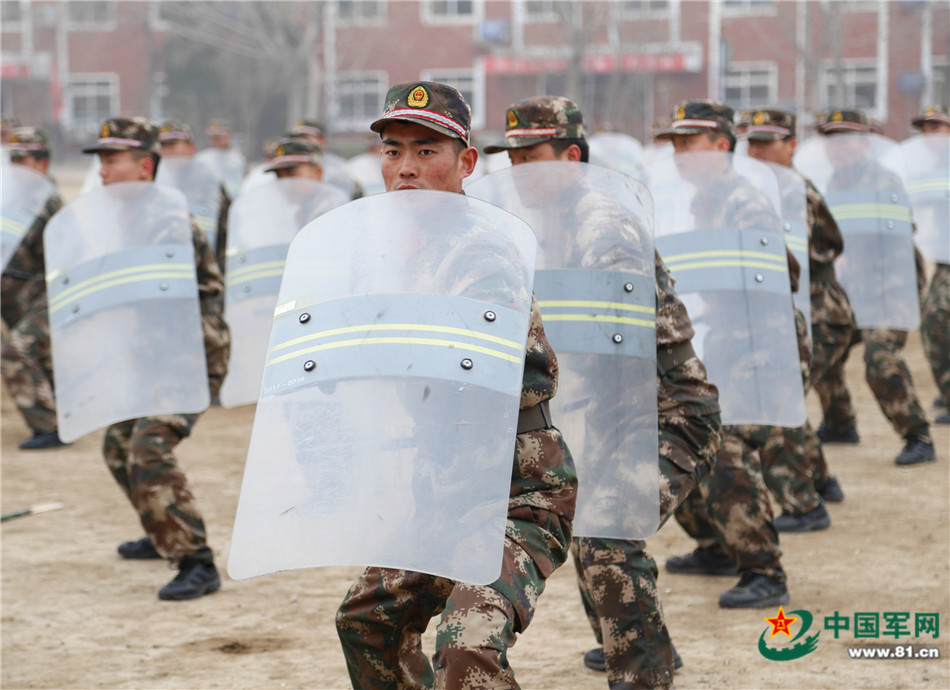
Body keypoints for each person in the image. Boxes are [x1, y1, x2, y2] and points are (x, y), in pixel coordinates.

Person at [334, 82, 577, 688]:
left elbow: (466, 369)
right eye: (393, 152)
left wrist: (365, 351)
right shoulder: (382, 252)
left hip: (517, 493)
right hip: (440, 490)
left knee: (467, 648)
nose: (406, 168)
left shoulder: (484, 251)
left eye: (426, 151)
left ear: (466, 162)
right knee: (366, 622)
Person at [481, 95, 722, 688]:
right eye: (511, 159)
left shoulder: (604, 225)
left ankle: (641, 670)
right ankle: (643, 645)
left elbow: (616, 364)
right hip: (604, 408)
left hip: (668, 411)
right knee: (592, 520)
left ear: (572, 156)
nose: (518, 171)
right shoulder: (535, 227)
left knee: (606, 529)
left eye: (531, 156)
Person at [654, 100, 795, 610]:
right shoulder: (699, 201)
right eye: (674, 143)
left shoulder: (744, 200)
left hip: (761, 340)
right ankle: (715, 545)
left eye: (689, 141)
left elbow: (780, 276)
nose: (679, 152)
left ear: (721, 144)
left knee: (726, 445)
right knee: (687, 438)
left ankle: (765, 571)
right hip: (721, 338)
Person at [83, 116, 230, 600]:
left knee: (147, 448)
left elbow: (156, 300)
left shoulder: (165, 220)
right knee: (116, 445)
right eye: (101, 159)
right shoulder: (120, 218)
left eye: (112, 159)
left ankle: (196, 561)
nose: (102, 170)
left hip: (187, 356)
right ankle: (159, 526)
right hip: (151, 356)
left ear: (145, 166)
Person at [742, 107, 854, 529]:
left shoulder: (792, 190)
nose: (757, 149)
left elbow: (817, 247)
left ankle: (804, 505)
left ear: (790, 144)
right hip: (793, 312)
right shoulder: (757, 189)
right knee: (786, 398)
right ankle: (822, 482)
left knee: (777, 400)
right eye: (752, 141)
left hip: (820, 314)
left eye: (767, 141)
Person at [811, 109, 936, 465]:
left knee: (879, 356)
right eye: (830, 140)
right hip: (852, 289)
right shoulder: (831, 183)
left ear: (864, 143)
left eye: (845, 138)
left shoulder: (885, 181)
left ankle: (919, 436)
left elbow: (896, 241)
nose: (837, 147)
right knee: (822, 344)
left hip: (890, 288)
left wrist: (854, 257)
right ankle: (840, 422)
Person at [0, 127, 66, 449]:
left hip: (41, 297)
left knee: (16, 351)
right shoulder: (8, 196)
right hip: (11, 297)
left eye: (22, 158)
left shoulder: (49, 201)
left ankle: (48, 427)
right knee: (44, 359)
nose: (14, 165)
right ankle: (64, 414)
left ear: (42, 163)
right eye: (11, 158)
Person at [909, 105, 950, 425]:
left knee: (936, 318)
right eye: (926, 128)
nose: (930, 134)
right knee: (935, 322)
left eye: (937, 127)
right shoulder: (929, 170)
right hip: (944, 261)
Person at [158, 119, 230, 271]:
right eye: (163, 146)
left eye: (173, 145)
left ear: (191, 148)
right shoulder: (156, 182)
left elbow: (226, 227)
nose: (167, 152)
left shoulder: (208, 180)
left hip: (206, 265)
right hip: (167, 265)